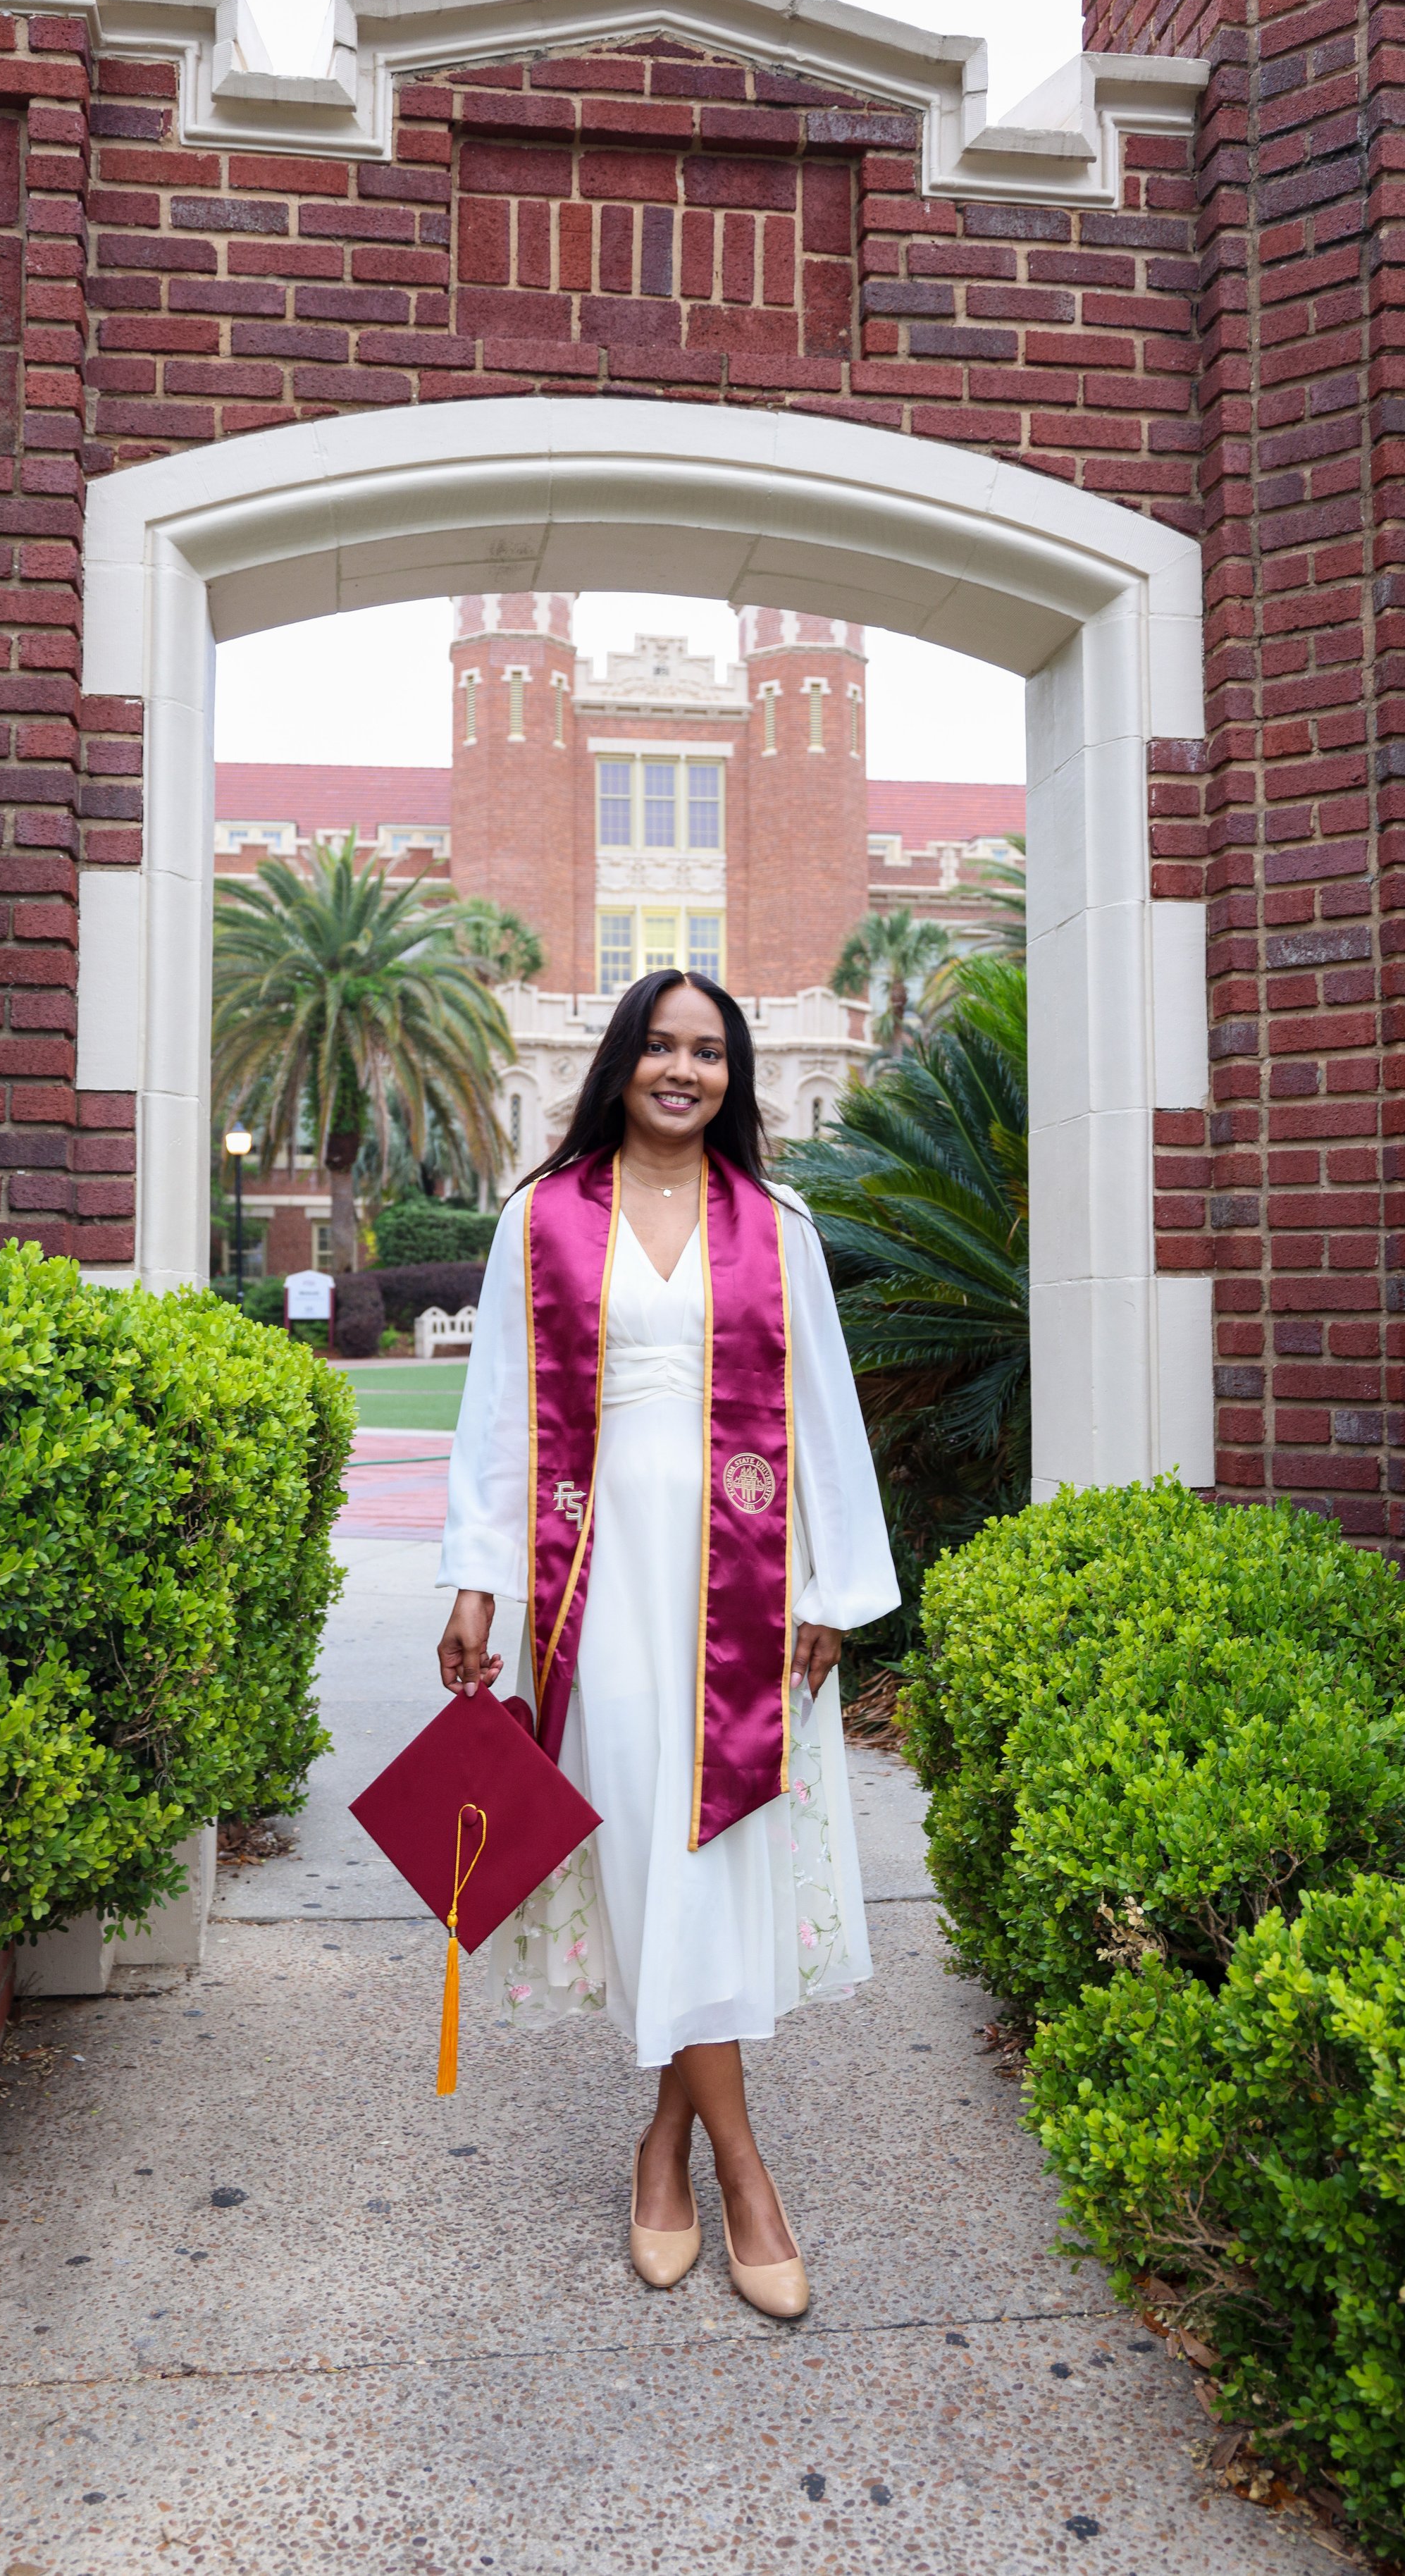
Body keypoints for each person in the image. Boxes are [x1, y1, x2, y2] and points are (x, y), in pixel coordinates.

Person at [435, 968, 897, 2318]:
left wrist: (834, 1588)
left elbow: (826, 1402)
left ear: (734, 1075)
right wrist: (476, 1581)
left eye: (709, 1051)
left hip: (748, 1579)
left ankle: (676, 2153)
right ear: (621, 1062)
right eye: (661, 1046)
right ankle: (741, 2167)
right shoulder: (541, 1217)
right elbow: (494, 1410)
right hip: (595, 1578)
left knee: (712, 1852)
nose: (683, 1070)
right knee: (644, 1839)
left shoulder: (777, 1220)